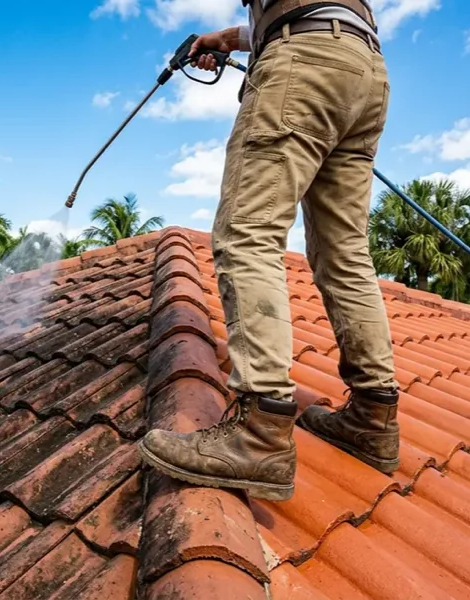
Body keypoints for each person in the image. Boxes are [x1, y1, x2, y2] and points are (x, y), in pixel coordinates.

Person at [138, 0, 400, 502]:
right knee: (344, 253)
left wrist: (250, 39)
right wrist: (226, 38)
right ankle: (374, 416)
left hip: (303, 61)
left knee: (247, 230)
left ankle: (261, 431)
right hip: (364, 67)